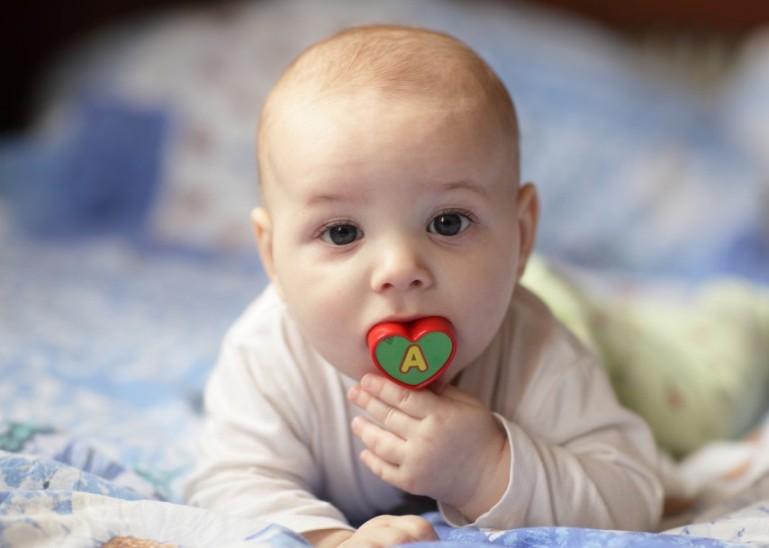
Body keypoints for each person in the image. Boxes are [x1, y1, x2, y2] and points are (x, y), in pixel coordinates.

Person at [185, 24, 663, 547]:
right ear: (271, 254)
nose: (399, 267)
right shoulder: (266, 354)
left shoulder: (538, 352)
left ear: (521, 234)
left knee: (663, 368)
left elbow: (633, 496)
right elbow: (229, 484)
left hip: (585, 315)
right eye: (342, 232)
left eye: (448, 223)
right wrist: (327, 539)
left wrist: (489, 468)